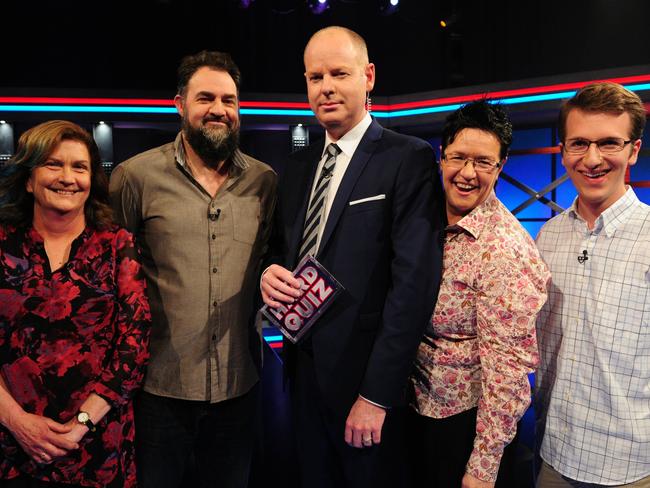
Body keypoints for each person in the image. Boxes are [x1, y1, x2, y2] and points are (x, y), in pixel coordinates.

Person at [260, 26, 445, 488]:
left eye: (339, 73)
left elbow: (413, 286)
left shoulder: (408, 157)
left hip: (366, 386)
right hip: (300, 375)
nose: (325, 87)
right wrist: (268, 273)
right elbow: (280, 249)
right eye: (314, 76)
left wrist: (377, 395)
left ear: (368, 77)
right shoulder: (300, 166)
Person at [109, 50, 277, 488]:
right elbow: (109, 276)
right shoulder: (135, 177)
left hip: (239, 388)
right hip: (157, 392)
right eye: (205, 98)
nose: (218, 110)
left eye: (229, 100)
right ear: (180, 104)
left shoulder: (265, 181)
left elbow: (272, 263)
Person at [0, 120, 151, 488]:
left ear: (91, 181)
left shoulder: (118, 244)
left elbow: (134, 346)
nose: (67, 177)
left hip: (99, 445)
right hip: (11, 445)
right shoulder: (3, 243)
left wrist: (80, 425)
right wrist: (17, 421)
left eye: (79, 167)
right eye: (53, 164)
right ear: (28, 179)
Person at [408, 100, 550, 488]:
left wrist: (481, 469)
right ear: (441, 157)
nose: (468, 173)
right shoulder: (422, 215)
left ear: (500, 167)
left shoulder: (505, 250)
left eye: (484, 162)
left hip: (464, 427)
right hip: (414, 410)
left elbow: (507, 374)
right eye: (458, 157)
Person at [535, 82, 650, 487]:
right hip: (552, 453)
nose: (593, 159)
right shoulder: (547, 236)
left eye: (609, 143)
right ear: (564, 151)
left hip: (631, 466)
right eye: (579, 144)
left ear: (634, 150)